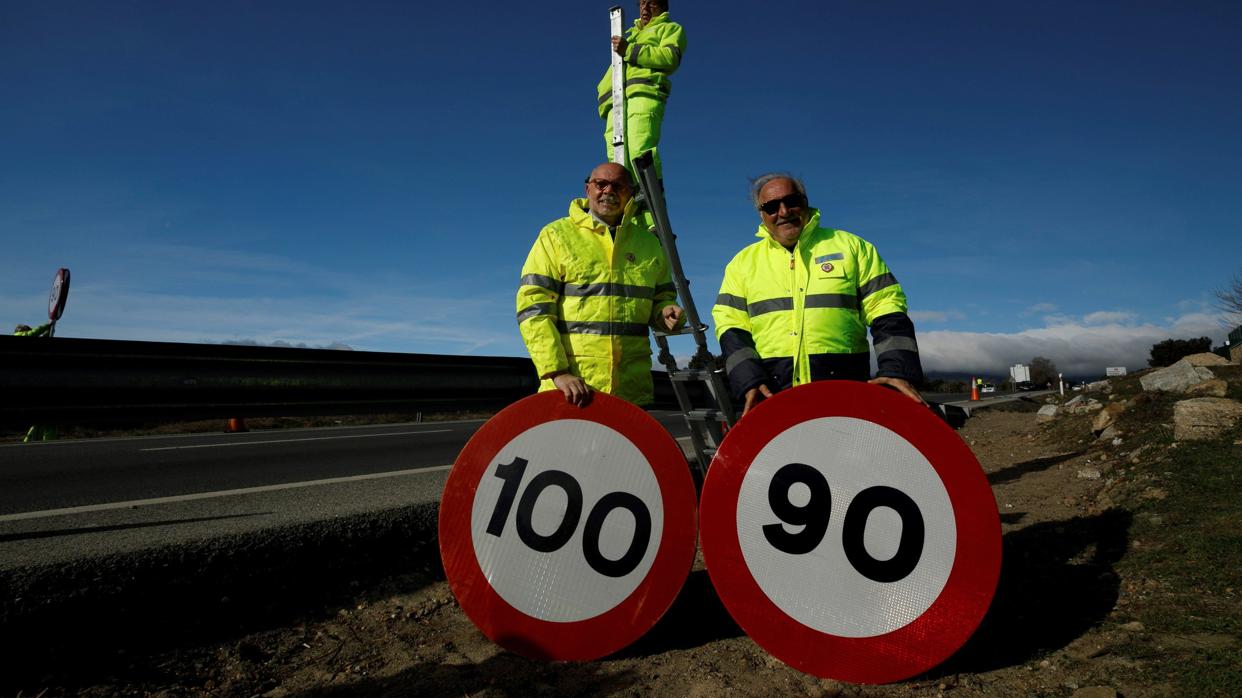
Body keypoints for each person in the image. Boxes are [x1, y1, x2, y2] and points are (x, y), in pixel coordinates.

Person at [712, 174, 925, 417]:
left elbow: (887, 307)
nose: (783, 212)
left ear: (805, 202)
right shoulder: (742, 264)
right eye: (771, 207)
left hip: (846, 389)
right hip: (773, 393)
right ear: (761, 215)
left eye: (790, 201)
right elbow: (730, 324)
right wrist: (748, 380)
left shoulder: (852, 247)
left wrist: (897, 370)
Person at [517, 162, 684, 407]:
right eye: (601, 184)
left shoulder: (649, 244)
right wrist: (556, 372)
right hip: (571, 388)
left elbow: (662, 297)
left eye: (618, 186)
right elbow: (534, 308)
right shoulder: (556, 235)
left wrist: (666, 311)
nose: (609, 191)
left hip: (632, 389)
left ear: (630, 193)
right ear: (587, 189)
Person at [596, 0, 685, 178]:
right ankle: (625, 200)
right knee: (616, 159)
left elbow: (670, 58)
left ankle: (651, 199)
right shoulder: (630, 34)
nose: (645, 8)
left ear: (662, 7)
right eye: (642, 3)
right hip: (616, 102)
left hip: (643, 94)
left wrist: (630, 50)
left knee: (640, 150)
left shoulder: (669, 28)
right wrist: (602, 91)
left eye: (651, 3)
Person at [14, 323, 58, 442]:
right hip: (33, 382)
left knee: (39, 421)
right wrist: (48, 325)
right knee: (48, 419)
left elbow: (37, 336)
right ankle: (48, 443)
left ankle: (29, 443)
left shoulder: (26, 346)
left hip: (28, 383)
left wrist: (48, 331)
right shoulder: (18, 337)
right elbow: (32, 333)